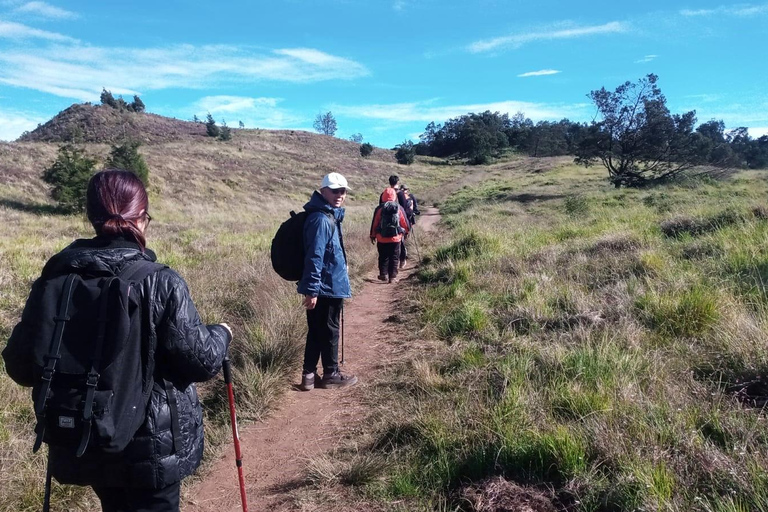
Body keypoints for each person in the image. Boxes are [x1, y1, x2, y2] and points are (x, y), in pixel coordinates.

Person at [2, 169, 232, 512]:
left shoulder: (56, 279)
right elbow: (200, 361)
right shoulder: (161, 283)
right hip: (150, 450)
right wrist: (222, 334)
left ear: (92, 216)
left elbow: (20, 366)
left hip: (83, 438)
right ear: (140, 219)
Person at [298, 172, 357, 391]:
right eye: (335, 191)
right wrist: (312, 290)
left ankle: (309, 376)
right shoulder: (322, 219)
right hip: (327, 286)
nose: (339, 195)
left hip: (325, 284)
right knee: (329, 329)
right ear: (323, 191)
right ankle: (331, 373)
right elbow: (315, 256)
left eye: (342, 191)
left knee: (316, 329)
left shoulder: (324, 215)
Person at [370, 187, 410, 283]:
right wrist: (406, 232)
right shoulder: (398, 208)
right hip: (395, 238)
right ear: (395, 196)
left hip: (381, 238)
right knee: (394, 257)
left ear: (383, 196)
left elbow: (374, 223)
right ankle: (392, 277)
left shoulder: (379, 209)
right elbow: (404, 222)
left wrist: (372, 235)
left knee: (383, 256)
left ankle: (383, 274)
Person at [398, 185, 420, 268]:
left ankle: (404, 252)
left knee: (405, 237)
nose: (404, 191)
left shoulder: (411, 197)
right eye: (403, 189)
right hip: (401, 221)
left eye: (406, 189)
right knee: (401, 237)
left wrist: (415, 212)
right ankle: (403, 253)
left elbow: (415, 207)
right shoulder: (399, 197)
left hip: (409, 220)